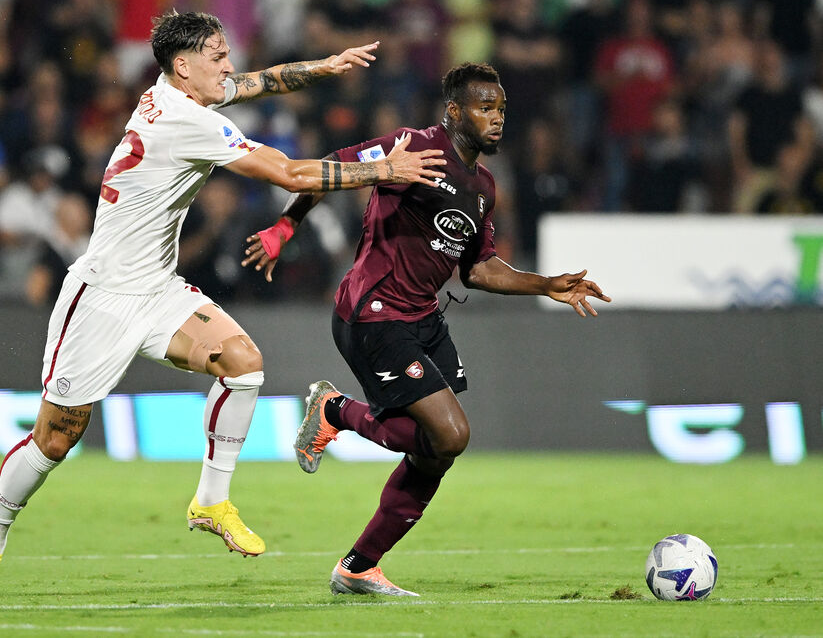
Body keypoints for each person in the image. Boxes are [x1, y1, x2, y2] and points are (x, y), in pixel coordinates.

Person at [0, 10, 446, 599]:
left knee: (243, 361)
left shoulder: (178, 93)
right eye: (217, 56)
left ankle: (211, 501)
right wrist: (384, 168)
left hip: (158, 289)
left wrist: (322, 66)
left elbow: (257, 82)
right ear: (184, 66)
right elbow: (291, 174)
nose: (229, 66)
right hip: (103, 298)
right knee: (56, 439)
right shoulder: (185, 122)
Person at [243, 62, 610, 596]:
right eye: (486, 108)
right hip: (372, 310)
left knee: (436, 449)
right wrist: (285, 226)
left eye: (502, 109)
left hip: (421, 318)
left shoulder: (484, 185)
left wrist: (545, 284)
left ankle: (359, 566)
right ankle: (336, 410)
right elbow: (329, 167)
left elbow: (479, 269)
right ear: (455, 111)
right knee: (452, 434)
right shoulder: (412, 147)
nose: (497, 118)